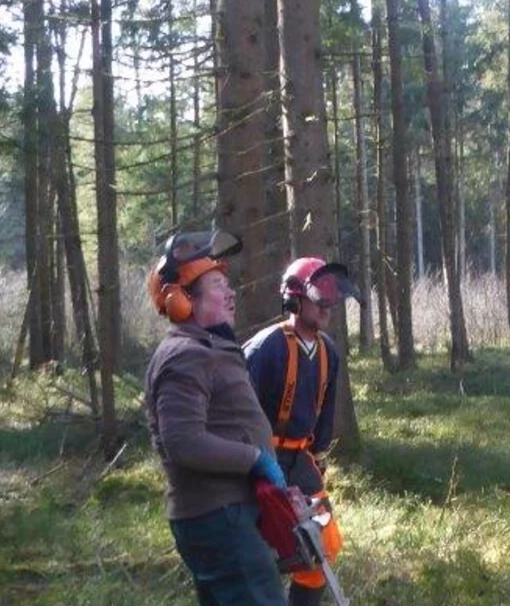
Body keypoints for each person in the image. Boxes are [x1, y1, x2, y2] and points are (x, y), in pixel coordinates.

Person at [144, 232, 289, 606]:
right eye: (217, 286)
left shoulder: (207, 348)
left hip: (227, 512)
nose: (231, 294)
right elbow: (184, 442)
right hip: (218, 516)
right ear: (182, 301)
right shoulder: (186, 355)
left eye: (228, 285)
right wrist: (255, 460)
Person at [244, 257, 357, 606]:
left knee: (324, 543)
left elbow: (323, 419)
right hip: (260, 461)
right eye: (319, 295)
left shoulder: (329, 352)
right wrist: (254, 468)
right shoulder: (264, 349)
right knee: (260, 551)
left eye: (331, 296)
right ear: (295, 298)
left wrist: (317, 463)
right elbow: (240, 415)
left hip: (301, 461)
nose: (328, 305)